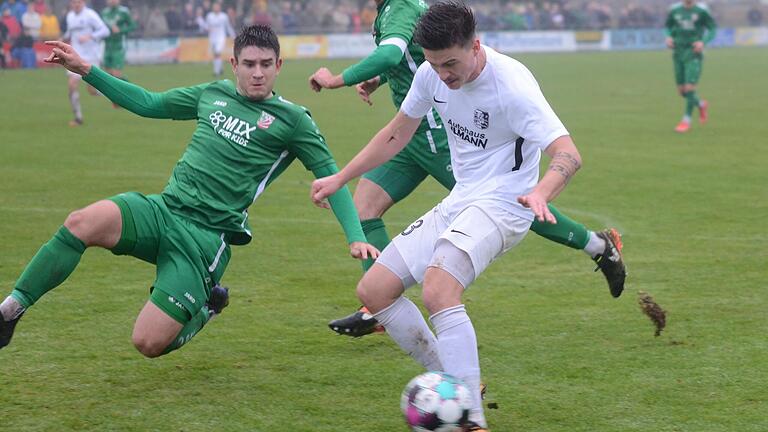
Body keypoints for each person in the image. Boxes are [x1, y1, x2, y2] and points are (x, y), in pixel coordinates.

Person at [0, 25, 378, 358]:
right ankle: (10, 310)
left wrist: (355, 237)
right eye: (249, 64)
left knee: (147, 344)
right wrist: (86, 69)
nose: (258, 73)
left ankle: (207, 308)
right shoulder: (212, 93)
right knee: (81, 222)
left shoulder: (294, 121)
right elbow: (149, 103)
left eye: (266, 64)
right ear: (234, 65)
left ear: (279, 66)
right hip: (163, 211)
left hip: (203, 240)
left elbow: (333, 177)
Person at [311, 4, 586, 430]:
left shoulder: (512, 84)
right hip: (462, 198)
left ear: (476, 46)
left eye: (451, 63)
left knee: (439, 290)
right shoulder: (429, 72)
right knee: (375, 289)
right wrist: (341, 177)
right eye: (435, 64)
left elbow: (568, 153)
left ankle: (471, 422)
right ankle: (459, 385)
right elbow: (397, 133)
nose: (443, 74)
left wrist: (541, 191)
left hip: (504, 204)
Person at [309, 0, 625, 337]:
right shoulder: (408, 24)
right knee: (364, 207)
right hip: (411, 134)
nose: (441, 70)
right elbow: (413, 65)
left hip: (437, 135)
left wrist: (338, 79)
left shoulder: (400, 6)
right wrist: (383, 80)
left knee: (508, 203)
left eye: (449, 64)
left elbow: (393, 54)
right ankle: (376, 307)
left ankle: (597, 245)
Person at [665, 0, 716, 133]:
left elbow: (713, 28)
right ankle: (701, 104)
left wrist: (703, 42)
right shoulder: (674, 10)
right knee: (682, 92)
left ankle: (686, 121)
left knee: (689, 88)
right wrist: (668, 37)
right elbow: (667, 26)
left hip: (693, 53)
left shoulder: (701, 11)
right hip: (678, 53)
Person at [61, 0, 110, 126]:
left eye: (79, 2)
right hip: (75, 56)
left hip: (91, 57)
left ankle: (114, 96)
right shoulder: (70, 16)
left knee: (92, 91)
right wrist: (62, 38)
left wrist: (90, 36)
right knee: (72, 85)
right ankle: (78, 118)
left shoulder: (90, 15)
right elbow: (71, 33)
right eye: (74, 2)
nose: (76, 4)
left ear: (83, 2)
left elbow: (105, 30)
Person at [100, 0, 136, 81]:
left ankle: (128, 87)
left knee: (116, 74)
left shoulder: (124, 11)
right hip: (107, 46)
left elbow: (133, 26)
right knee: (108, 75)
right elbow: (101, 27)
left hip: (118, 46)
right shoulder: (104, 12)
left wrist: (120, 30)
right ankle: (124, 86)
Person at [197, 1, 234, 77]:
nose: (216, 8)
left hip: (221, 38)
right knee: (216, 54)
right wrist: (201, 22)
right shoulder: (209, 16)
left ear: (219, 7)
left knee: (217, 52)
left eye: (217, 7)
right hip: (212, 38)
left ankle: (216, 72)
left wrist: (233, 35)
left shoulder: (224, 16)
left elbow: (228, 27)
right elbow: (206, 26)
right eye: (214, 7)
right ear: (213, 8)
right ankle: (220, 69)